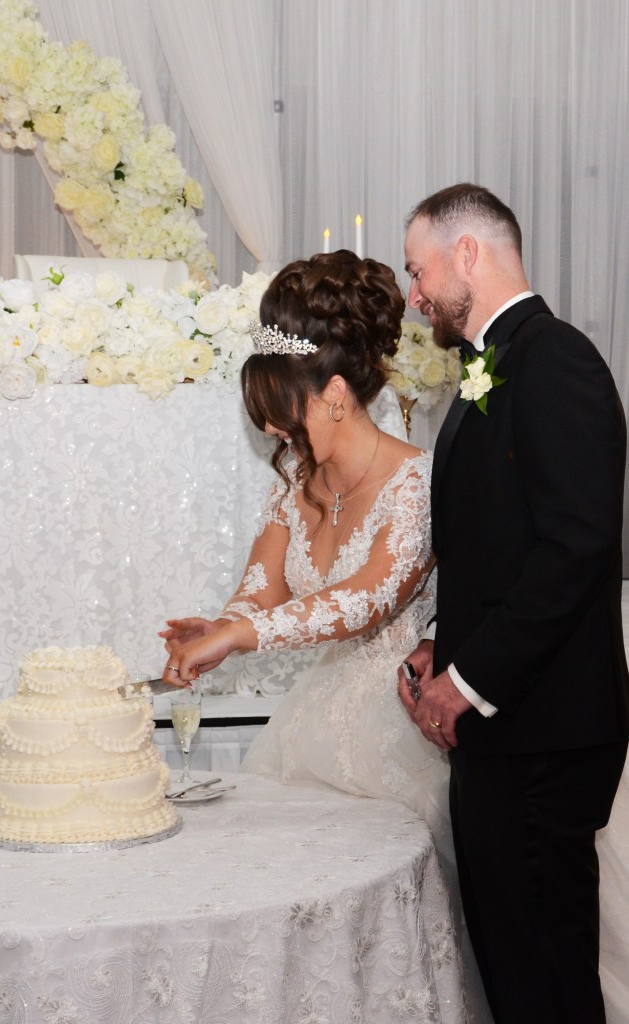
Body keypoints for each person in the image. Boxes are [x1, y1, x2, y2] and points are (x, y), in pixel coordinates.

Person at [160, 248, 494, 1021]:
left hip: (398, 737)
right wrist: (223, 623)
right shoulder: (296, 483)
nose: (276, 428)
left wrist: (241, 640)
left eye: (285, 408)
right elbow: (263, 588)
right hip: (312, 729)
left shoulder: (415, 480)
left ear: (336, 393)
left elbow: (367, 601)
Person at [397, 183, 629, 1024]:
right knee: (512, 964)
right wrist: (438, 644)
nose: (414, 293)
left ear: (469, 254)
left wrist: (467, 680)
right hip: (509, 728)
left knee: (545, 980)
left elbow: (577, 545)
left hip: (543, 732)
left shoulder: (554, 357)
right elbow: (490, 545)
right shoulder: (491, 364)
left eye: (419, 270)